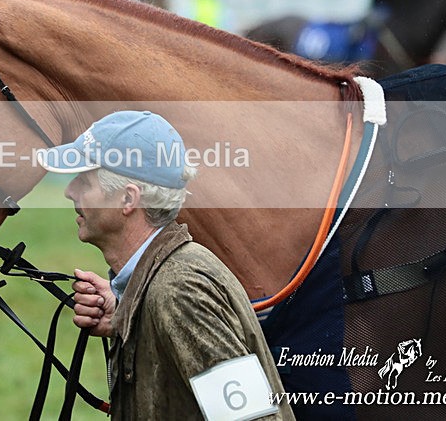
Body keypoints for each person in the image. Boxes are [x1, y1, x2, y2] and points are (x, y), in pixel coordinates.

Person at [38, 110, 293, 420]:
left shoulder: (180, 291)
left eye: (84, 181)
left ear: (127, 200)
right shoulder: (162, 282)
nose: (69, 192)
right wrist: (125, 313)